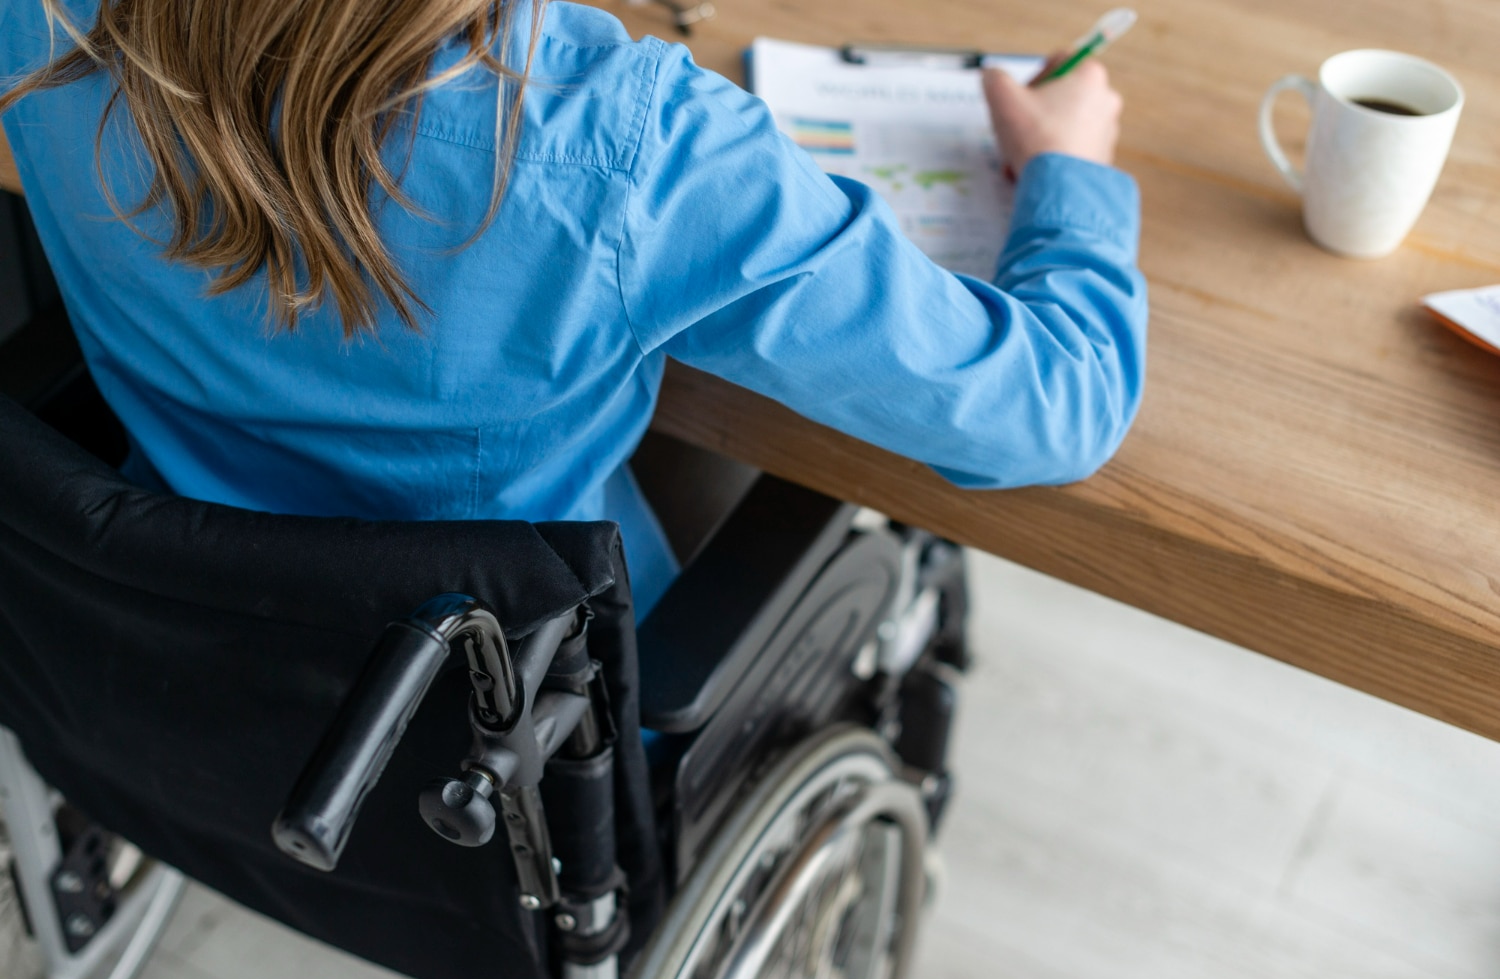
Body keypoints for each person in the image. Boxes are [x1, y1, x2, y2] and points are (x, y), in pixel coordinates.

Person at [0, 0, 1146, 616]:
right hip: (508, 721)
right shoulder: (632, 144)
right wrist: (1073, 175)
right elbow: (1054, 408)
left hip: (173, 632)